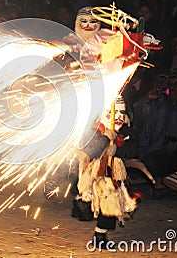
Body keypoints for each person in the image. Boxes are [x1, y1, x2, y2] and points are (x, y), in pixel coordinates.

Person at [76, 98, 137, 250]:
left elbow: (132, 151)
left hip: (112, 175)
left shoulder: (124, 132)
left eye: (121, 112)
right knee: (103, 203)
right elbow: (89, 153)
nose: (117, 117)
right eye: (112, 112)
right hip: (95, 175)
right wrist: (105, 139)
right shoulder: (94, 131)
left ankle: (100, 235)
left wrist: (119, 145)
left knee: (111, 206)